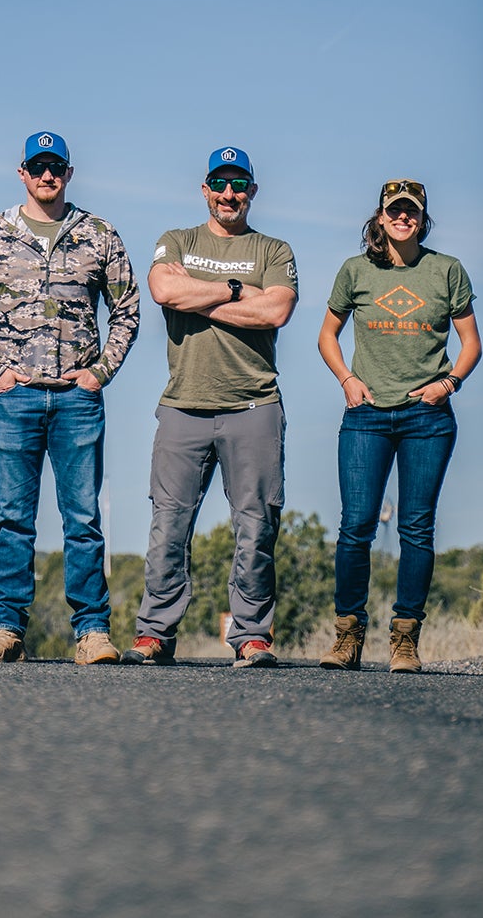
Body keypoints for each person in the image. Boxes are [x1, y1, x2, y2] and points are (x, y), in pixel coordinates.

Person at [0, 130, 141, 665]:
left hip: (77, 400)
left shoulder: (98, 233)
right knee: (13, 518)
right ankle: (6, 630)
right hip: (13, 400)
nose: (47, 175)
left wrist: (100, 372)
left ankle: (92, 632)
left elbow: (127, 309)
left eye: (56, 166)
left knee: (83, 520)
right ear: (23, 173)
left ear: (69, 173)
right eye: (38, 167)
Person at [125, 148, 298, 667]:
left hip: (254, 404)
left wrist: (198, 295)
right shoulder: (176, 240)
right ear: (205, 189)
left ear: (252, 191)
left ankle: (251, 635)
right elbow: (163, 290)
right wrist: (236, 290)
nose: (229, 194)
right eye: (219, 184)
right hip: (184, 404)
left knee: (256, 527)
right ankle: (155, 633)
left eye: (239, 184)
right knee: (168, 527)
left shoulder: (273, 248)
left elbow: (276, 310)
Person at [315, 178, 480, 673]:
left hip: (427, 417)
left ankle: (405, 639)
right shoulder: (356, 270)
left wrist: (447, 384)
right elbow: (327, 335)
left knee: (416, 529)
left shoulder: (446, 270)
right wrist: (347, 379)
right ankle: (347, 635)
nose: (403, 217)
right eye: (394, 210)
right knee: (356, 525)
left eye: (411, 211)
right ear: (380, 217)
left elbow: (471, 343)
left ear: (423, 218)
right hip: (366, 415)